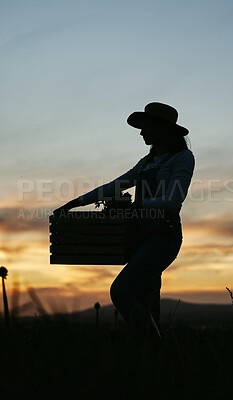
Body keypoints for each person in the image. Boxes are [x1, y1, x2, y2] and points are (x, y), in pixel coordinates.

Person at [53, 102, 195, 345]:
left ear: (162, 128)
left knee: (121, 291)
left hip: (163, 236)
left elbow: (173, 201)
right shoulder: (146, 163)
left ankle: (153, 343)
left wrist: (136, 206)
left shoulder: (182, 158)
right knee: (147, 299)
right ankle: (153, 358)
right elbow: (114, 185)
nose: (142, 132)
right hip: (141, 236)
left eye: (147, 126)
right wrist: (76, 202)